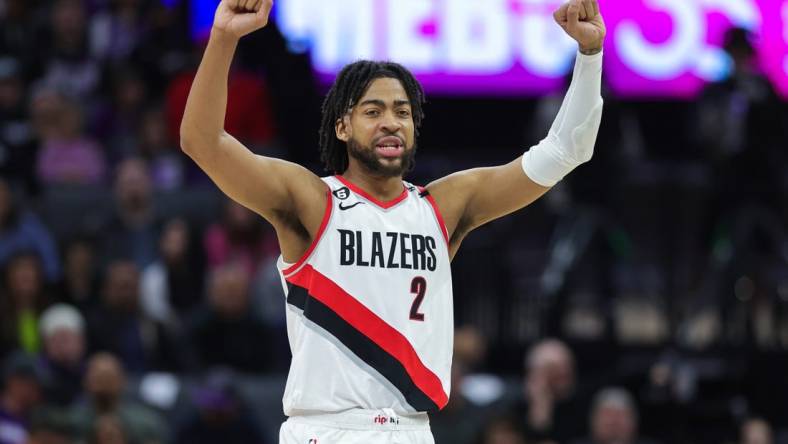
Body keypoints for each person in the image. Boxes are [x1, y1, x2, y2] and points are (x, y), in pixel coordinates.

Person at [179, 0, 606, 442]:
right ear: (342, 127)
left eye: (402, 112)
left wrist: (590, 56)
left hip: (412, 430)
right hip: (327, 430)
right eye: (373, 111)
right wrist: (224, 37)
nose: (391, 123)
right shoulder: (312, 200)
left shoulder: (442, 207)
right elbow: (202, 141)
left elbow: (565, 152)